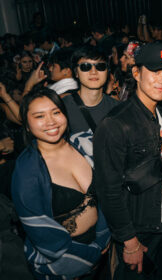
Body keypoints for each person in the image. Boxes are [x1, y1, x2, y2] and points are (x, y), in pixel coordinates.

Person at [93, 42, 162, 280]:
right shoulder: (115, 124)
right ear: (137, 73)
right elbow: (108, 191)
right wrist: (129, 242)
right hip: (139, 232)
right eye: (155, 71)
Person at [11, 88, 110, 280]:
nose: (51, 121)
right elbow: (42, 235)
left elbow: (107, 193)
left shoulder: (83, 144)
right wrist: (89, 255)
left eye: (56, 112)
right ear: (27, 125)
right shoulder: (27, 171)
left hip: (102, 243)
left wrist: (102, 240)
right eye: (40, 116)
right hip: (62, 259)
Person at [63, 45, 119, 135]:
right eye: (85, 66)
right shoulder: (61, 108)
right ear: (76, 72)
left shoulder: (118, 109)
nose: (93, 72)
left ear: (107, 71)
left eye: (100, 66)